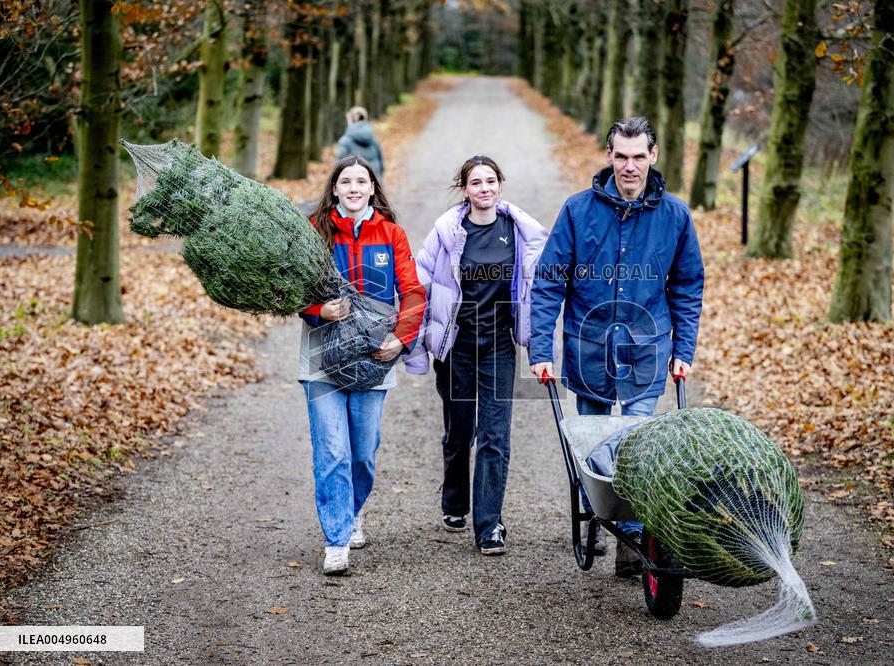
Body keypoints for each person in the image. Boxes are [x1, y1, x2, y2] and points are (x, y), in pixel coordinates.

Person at [528, 117, 704, 577]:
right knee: (594, 447)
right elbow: (549, 284)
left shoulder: (675, 216)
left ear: (653, 155)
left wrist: (684, 348)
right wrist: (540, 349)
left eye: (638, 156)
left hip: (646, 351)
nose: (630, 166)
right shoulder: (578, 210)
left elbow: (686, 285)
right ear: (608, 156)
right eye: (621, 156)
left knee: (637, 446)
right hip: (589, 351)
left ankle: (632, 540)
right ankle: (603, 517)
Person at [405, 156, 548, 555]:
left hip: (499, 345)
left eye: (490, 181)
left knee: (495, 435)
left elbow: (539, 288)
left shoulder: (518, 231)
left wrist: (538, 343)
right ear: (464, 189)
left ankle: (489, 525)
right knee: (460, 431)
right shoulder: (447, 231)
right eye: (475, 182)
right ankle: (454, 499)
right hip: (457, 345)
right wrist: (413, 342)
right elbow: (420, 284)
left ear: (500, 185)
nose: (484, 188)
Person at [299, 155, 425, 575]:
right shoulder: (316, 232)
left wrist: (401, 339)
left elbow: (412, 292)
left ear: (372, 188)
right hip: (320, 359)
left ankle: (352, 510)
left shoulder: (391, 234)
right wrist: (320, 310)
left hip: (374, 358)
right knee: (332, 451)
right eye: (345, 181)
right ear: (334, 188)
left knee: (363, 454)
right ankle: (336, 540)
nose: (353, 188)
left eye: (361, 181)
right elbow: (292, 290)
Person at [335, 106, 385, 181]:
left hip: (353, 186)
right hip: (374, 183)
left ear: (350, 120)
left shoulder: (345, 141)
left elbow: (338, 167)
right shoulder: (373, 138)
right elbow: (380, 162)